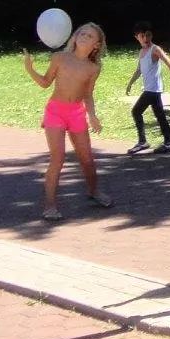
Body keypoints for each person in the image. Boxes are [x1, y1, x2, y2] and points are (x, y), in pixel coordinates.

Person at [22, 22, 111, 220]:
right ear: (75, 37)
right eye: (82, 33)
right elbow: (45, 83)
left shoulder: (93, 68)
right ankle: (50, 206)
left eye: (90, 36)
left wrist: (92, 115)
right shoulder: (60, 57)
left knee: (87, 159)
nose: (84, 36)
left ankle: (94, 191)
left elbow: (88, 94)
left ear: (97, 45)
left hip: (77, 113)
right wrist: (30, 69)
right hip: (55, 112)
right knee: (58, 158)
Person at [124, 21, 170, 154]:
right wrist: (130, 83)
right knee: (160, 115)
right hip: (150, 89)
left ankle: (143, 142)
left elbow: (169, 62)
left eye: (148, 35)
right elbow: (139, 70)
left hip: (153, 90)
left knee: (136, 111)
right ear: (137, 37)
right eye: (142, 36)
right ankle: (169, 141)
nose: (146, 38)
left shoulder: (155, 49)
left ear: (151, 35)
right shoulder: (142, 51)